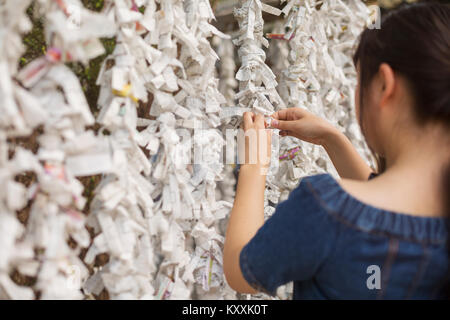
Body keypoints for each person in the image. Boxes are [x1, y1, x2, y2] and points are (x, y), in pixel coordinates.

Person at [223, 2, 450, 299]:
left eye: (359, 82)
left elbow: (242, 272)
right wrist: (333, 139)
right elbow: (383, 204)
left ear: (384, 85)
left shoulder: (324, 209)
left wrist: (253, 167)